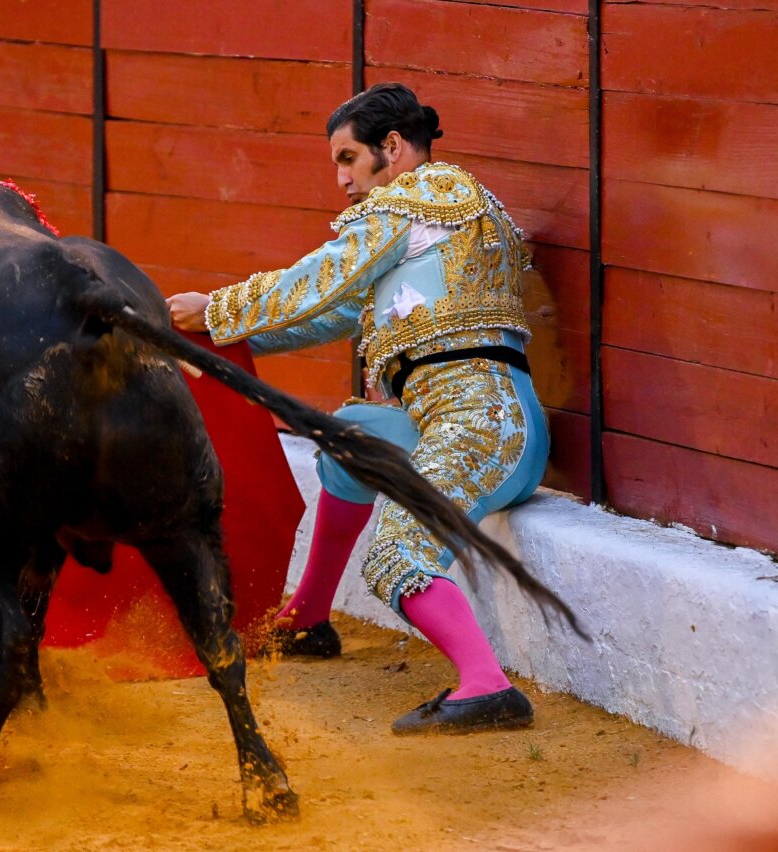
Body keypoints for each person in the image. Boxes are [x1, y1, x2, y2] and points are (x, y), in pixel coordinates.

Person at [166, 82, 549, 735]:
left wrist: (218, 309)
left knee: (398, 552)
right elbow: (329, 311)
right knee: (348, 439)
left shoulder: (423, 196)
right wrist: (220, 338)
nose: (342, 179)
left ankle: (488, 685)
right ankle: (309, 618)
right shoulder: (430, 222)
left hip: (485, 426)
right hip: (448, 421)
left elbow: (318, 279)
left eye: (348, 158)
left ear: (392, 147)